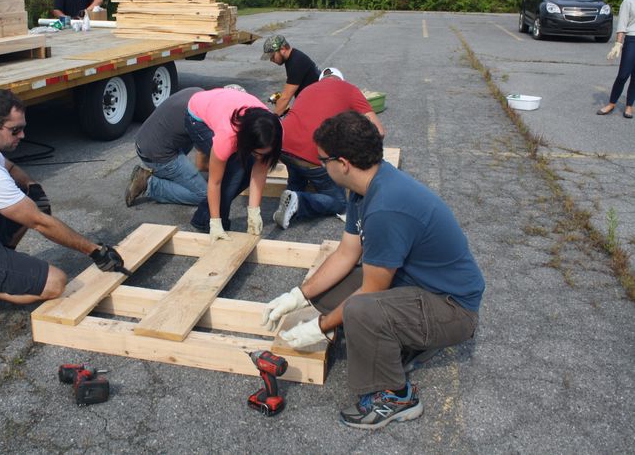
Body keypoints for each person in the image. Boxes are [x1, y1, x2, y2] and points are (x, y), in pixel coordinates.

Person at [261, 111, 484, 430]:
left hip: (452, 309)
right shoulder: (364, 188)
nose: (321, 165)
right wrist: (298, 296)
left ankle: (397, 397)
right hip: (420, 288)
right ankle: (402, 339)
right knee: (327, 292)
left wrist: (320, 326)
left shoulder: (386, 206)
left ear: (343, 163)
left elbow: (371, 293)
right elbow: (346, 253)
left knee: (362, 311)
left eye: (323, 160)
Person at [0, 89, 125, 325]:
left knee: (30, 201)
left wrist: (31, 185)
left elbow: (7, 166)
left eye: (22, 128)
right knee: (55, 283)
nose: (22, 135)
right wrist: (95, 251)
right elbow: (39, 222)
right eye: (15, 130)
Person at [273, 70, 386, 230]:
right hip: (312, 157)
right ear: (341, 79)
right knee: (339, 202)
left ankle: (292, 194)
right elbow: (379, 131)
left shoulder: (308, 88)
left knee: (297, 174)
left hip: (282, 148)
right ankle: (300, 201)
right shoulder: (349, 89)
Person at [185, 88, 282, 241]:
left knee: (246, 167)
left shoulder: (273, 133)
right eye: (256, 152)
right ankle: (208, 222)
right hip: (197, 116)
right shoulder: (228, 137)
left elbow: (260, 171)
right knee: (235, 171)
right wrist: (216, 223)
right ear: (247, 143)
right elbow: (215, 182)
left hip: (224, 104)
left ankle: (204, 215)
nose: (260, 157)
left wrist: (254, 212)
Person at [125, 87, 207, 207]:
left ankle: (168, 175)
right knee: (204, 195)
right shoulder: (202, 115)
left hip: (147, 142)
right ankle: (149, 184)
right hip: (156, 154)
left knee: (195, 139)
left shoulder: (198, 92)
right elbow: (201, 163)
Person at [597, 0, 635, 119]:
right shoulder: (629, 0)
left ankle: (629, 105)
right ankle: (611, 103)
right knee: (623, 74)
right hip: (632, 39)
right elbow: (622, 23)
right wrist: (618, 43)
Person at [261, 34, 319, 116]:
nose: (271, 60)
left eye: (272, 56)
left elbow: (286, 98)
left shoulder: (296, 62)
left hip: (317, 105)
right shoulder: (293, 58)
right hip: (310, 101)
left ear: (283, 49)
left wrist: (272, 121)